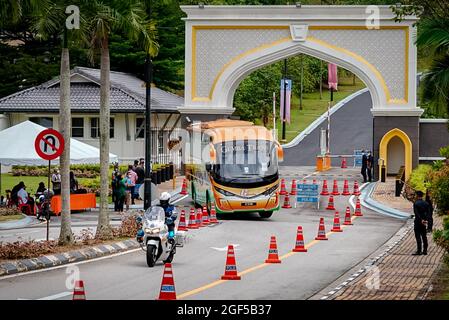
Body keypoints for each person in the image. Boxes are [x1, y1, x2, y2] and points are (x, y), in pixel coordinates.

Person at [412, 191, 430, 255]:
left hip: (418, 222)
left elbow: (416, 213)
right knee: (424, 236)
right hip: (424, 222)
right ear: (422, 196)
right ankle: (425, 250)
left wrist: (421, 219)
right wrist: (426, 220)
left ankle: (419, 250)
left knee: (418, 236)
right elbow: (429, 213)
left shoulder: (416, 203)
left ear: (417, 196)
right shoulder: (426, 203)